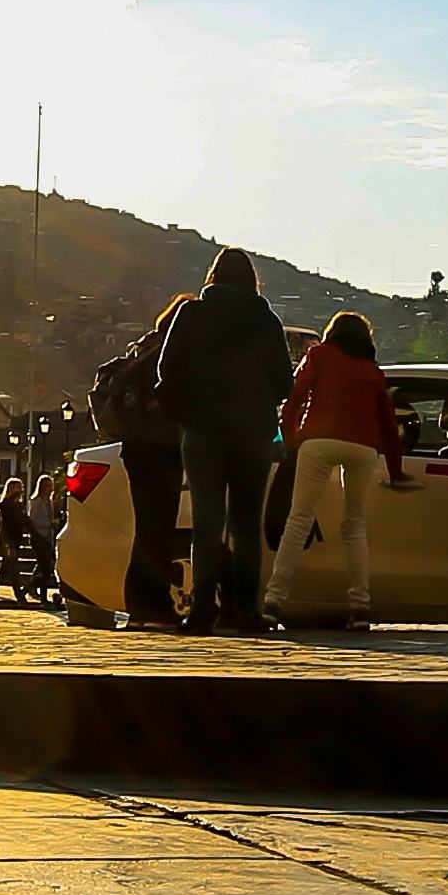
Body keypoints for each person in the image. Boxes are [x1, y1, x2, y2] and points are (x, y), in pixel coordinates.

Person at [149, 249, 293, 633]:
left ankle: (201, 612)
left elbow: (166, 368)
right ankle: (246, 610)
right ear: (252, 281)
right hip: (252, 434)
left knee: (206, 523)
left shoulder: (191, 314)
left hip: (202, 431)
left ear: (212, 276)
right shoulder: (266, 321)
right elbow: (284, 382)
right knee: (246, 524)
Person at [273, 309, 414, 631]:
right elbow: (388, 426)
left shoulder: (319, 355)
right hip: (363, 447)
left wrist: (292, 439)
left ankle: (274, 600)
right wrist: (396, 470)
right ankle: (360, 606)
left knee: (298, 519)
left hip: (319, 441)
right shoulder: (372, 370)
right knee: (354, 524)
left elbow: (294, 400)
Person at [94, 304, 191, 627]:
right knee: (159, 530)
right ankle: (152, 606)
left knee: (147, 528)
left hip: (136, 448)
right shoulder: (173, 353)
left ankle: (139, 607)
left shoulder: (144, 347)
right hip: (162, 448)